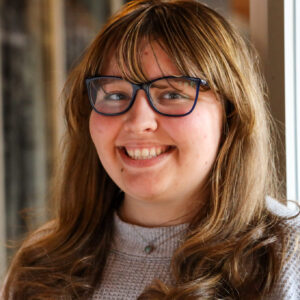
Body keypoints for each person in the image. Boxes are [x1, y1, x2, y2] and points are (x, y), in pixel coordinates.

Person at [2, 0, 300, 299]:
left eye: (172, 93)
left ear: (231, 113)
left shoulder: (287, 257)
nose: (138, 122)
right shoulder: (39, 263)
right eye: (115, 94)